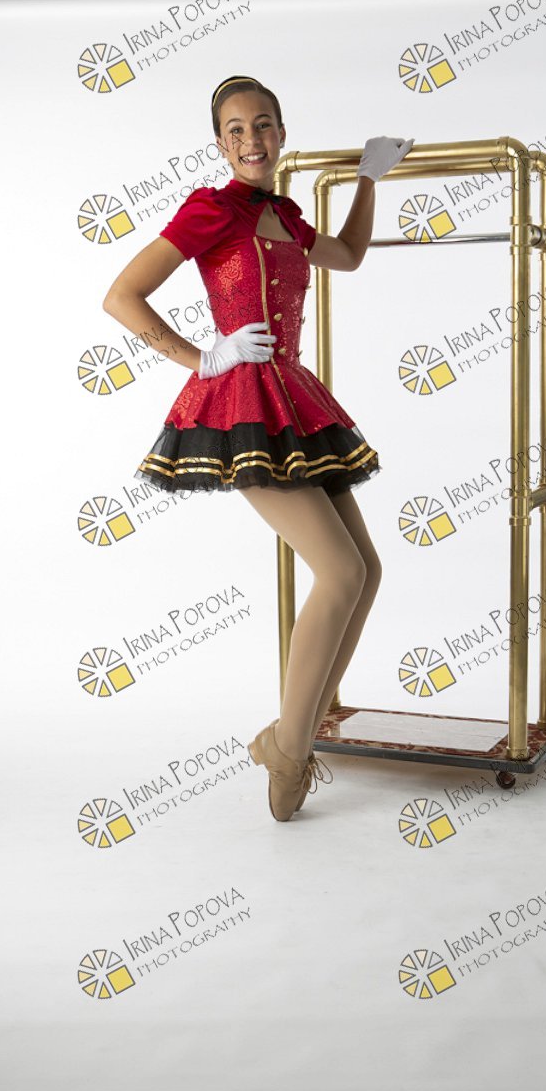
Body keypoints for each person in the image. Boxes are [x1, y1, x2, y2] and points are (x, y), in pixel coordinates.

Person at [103, 74, 413, 822]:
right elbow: (121, 296)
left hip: (294, 397)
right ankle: (291, 751)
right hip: (242, 403)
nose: (252, 140)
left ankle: (291, 730)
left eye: (264, 124)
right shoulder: (211, 210)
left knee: (365, 571)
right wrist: (202, 355)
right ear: (220, 143)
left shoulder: (286, 214)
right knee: (340, 570)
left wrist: (369, 179)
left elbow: (347, 255)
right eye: (236, 130)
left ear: (281, 132)